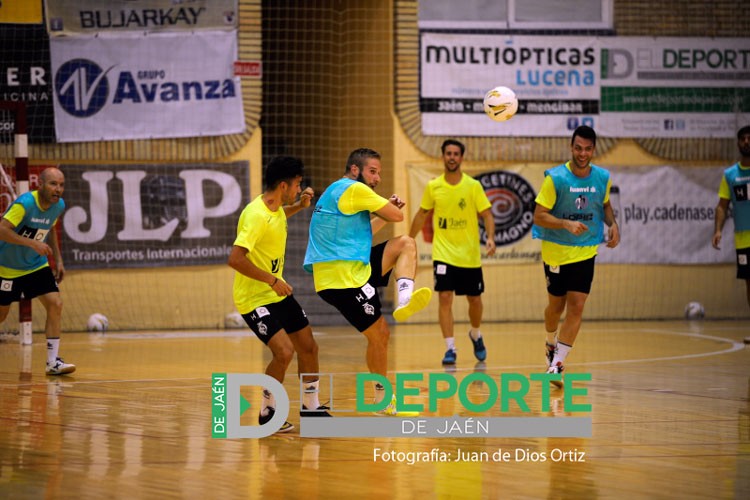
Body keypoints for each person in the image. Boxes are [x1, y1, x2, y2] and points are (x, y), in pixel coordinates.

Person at [303, 148, 432, 417]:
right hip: (343, 278)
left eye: (379, 173)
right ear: (355, 170)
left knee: (405, 244)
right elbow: (397, 216)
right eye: (372, 172)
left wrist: (383, 211)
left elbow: (361, 234)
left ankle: (405, 299)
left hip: (350, 266)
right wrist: (387, 207)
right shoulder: (354, 189)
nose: (377, 178)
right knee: (379, 334)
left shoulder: (336, 191)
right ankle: (382, 402)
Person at [228, 156, 331, 434]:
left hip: (276, 292)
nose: (300, 189)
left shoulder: (273, 209)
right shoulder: (255, 215)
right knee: (284, 352)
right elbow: (235, 259)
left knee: (309, 347)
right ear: (283, 185)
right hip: (254, 299)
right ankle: (267, 412)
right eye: (297, 185)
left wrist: (299, 206)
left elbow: (277, 217)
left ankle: (311, 407)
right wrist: (272, 280)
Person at [531, 125, 620, 387]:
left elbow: (605, 204)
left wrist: (613, 223)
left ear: (594, 150)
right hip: (556, 251)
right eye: (578, 148)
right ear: (571, 147)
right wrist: (565, 223)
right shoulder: (556, 178)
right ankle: (550, 342)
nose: (583, 153)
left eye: (588, 149)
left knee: (577, 306)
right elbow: (539, 216)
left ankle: (557, 365)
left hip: (585, 250)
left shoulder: (602, 177)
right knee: (555, 308)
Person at [409, 139, 496, 366]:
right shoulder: (434, 186)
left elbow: (487, 214)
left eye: (456, 154)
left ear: (461, 158)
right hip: (444, 254)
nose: (452, 157)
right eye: (448, 153)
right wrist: (408, 240)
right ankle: (450, 348)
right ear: (443, 156)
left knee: (474, 300)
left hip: (469, 256)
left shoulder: (472, 186)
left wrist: (491, 238)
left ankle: (475, 334)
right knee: (445, 297)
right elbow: (422, 214)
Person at [0, 167, 74, 375]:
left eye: (61, 185)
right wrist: (33, 243)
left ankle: (53, 362)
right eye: (53, 184)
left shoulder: (58, 205)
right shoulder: (24, 204)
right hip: (7, 267)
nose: (58, 189)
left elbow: (50, 229)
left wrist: (58, 260)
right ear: (40, 184)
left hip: (35, 265)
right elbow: (2, 230)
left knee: (55, 303)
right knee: (2, 315)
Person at [712, 125, 750, 322]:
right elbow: (722, 206)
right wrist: (718, 230)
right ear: (738, 143)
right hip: (743, 239)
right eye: (743, 139)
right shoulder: (730, 174)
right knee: (749, 283)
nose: (746, 142)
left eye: (749, 138)